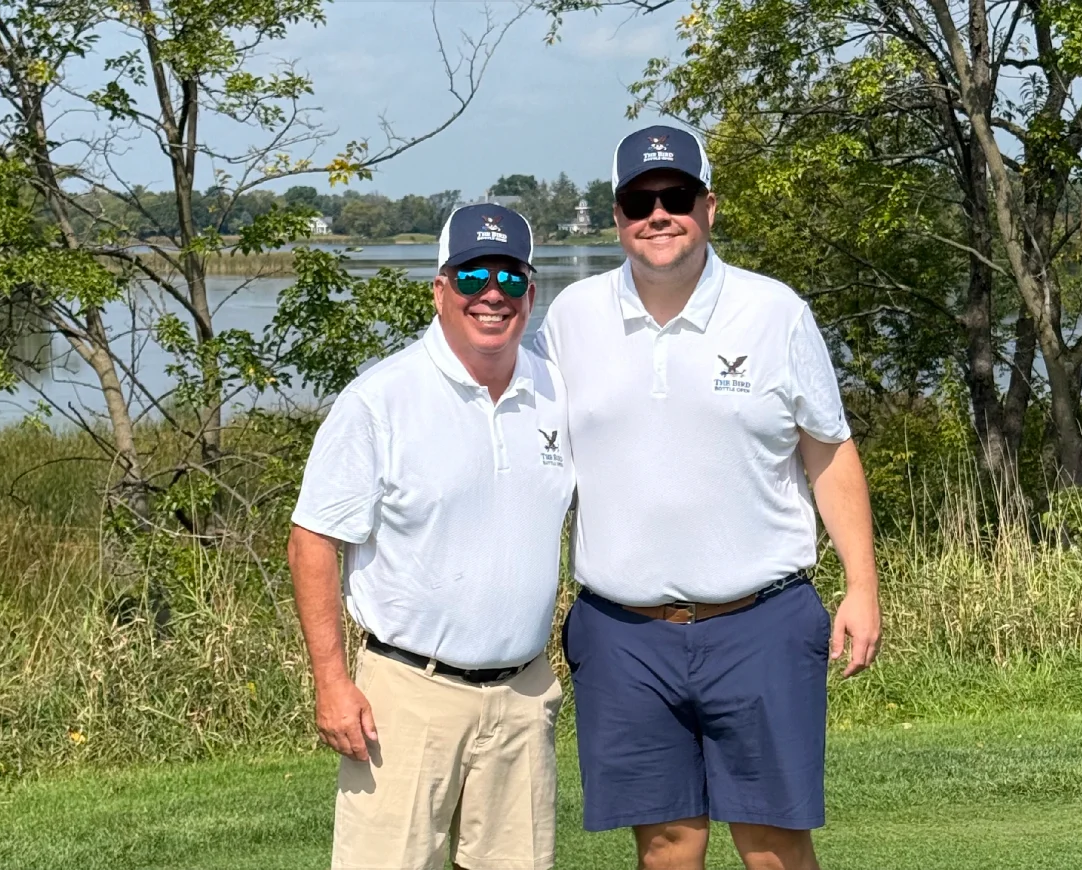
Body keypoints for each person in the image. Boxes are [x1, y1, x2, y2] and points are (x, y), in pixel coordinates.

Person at [536, 125, 882, 870]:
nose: (659, 215)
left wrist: (862, 586)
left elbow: (828, 447)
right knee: (665, 845)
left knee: (773, 844)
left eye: (677, 197)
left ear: (709, 206)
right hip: (624, 634)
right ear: (618, 215)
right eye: (639, 201)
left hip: (758, 621)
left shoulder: (774, 310)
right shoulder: (571, 318)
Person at [288, 203, 575, 870]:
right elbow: (312, 541)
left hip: (524, 696)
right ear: (440, 289)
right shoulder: (381, 399)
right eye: (471, 275)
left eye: (510, 277)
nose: (492, 294)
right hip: (407, 696)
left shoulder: (556, 391)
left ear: (531, 293)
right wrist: (331, 683)